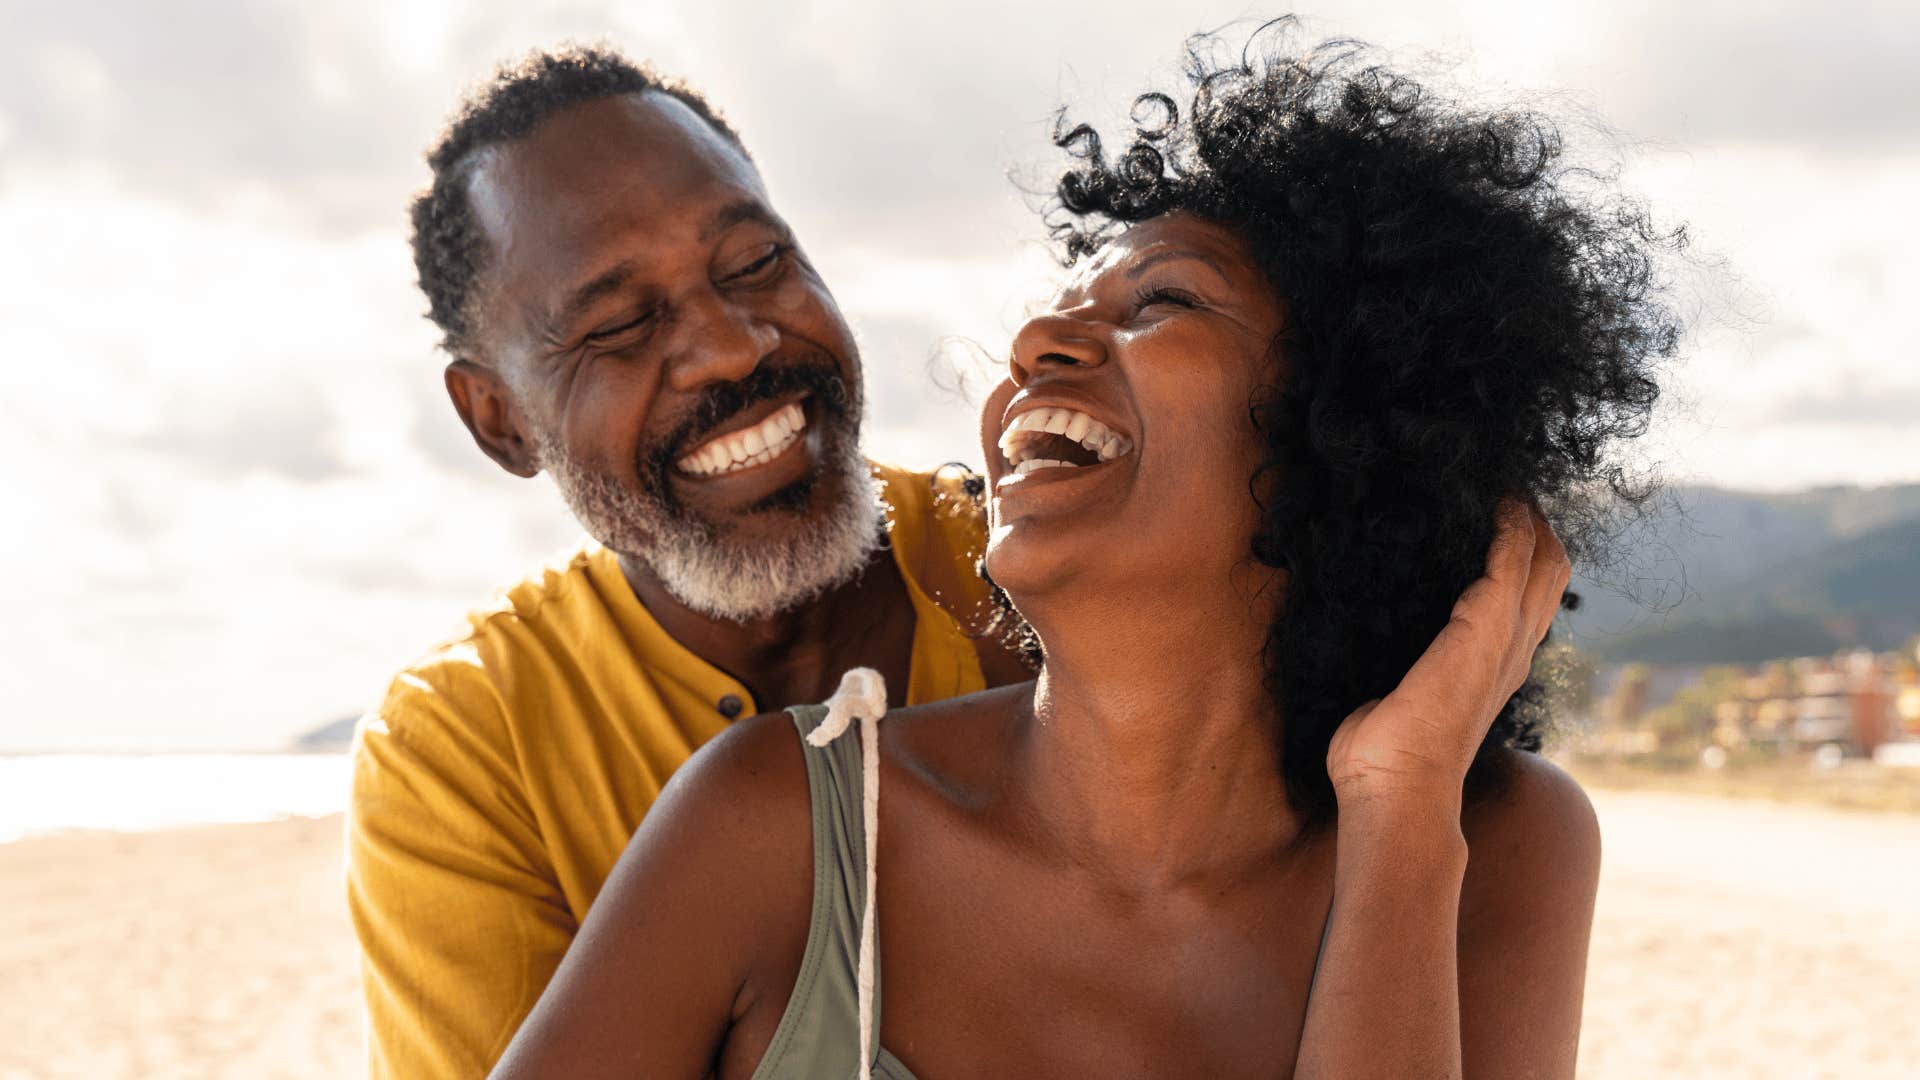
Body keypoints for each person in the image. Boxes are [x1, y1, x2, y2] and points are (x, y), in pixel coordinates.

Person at [488, 23, 1678, 1080]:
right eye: (1063, 304)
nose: (1037, 341)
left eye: (1160, 303)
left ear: (1353, 423)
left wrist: (1403, 808)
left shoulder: (1498, 840)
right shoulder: (773, 826)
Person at [346, 46, 1028, 1078]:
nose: (731, 346)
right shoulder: (470, 746)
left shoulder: (1031, 576)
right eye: (620, 325)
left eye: (757, 264)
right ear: (498, 421)